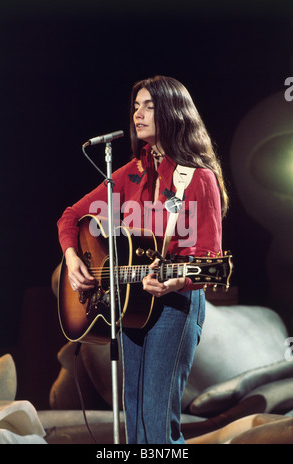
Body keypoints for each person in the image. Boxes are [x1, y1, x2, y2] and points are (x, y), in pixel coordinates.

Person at [57, 75, 228, 444]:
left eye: (149, 106)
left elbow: (209, 257)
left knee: (156, 424)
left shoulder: (198, 179)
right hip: (133, 304)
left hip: (176, 303)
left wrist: (177, 280)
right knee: (136, 424)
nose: (138, 114)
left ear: (172, 112)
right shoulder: (129, 174)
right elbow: (70, 217)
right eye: (136, 106)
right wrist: (73, 258)